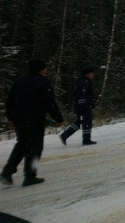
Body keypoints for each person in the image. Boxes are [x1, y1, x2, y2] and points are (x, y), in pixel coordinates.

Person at [1, 59, 64, 187]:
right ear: (41, 69)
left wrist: (10, 116)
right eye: (45, 68)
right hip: (35, 119)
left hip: (19, 118)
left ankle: (7, 172)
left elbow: (10, 99)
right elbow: (50, 103)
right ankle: (30, 175)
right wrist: (59, 118)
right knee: (36, 148)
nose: (46, 70)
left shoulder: (20, 81)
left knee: (22, 144)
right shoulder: (43, 82)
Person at [60, 66, 97, 146]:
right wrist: (83, 105)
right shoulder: (84, 82)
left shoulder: (85, 81)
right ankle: (86, 140)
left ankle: (65, 135)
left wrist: (91, 103)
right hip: (83, 106)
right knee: (86, 121)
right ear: (87, 74)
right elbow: (81, 95)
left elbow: (88, 95)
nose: (93, 74)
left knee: (80, 122)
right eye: (91, 73)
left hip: (83, 105)